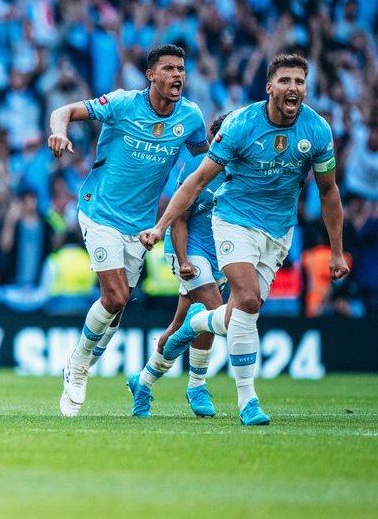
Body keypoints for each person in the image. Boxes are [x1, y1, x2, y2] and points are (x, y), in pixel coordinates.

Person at [140, 54, 350, 425]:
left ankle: (196, 325)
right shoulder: (241, 125)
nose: (293, 88)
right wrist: (161, 227)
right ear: (270, 87)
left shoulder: (317, 130)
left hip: (278, 231)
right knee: (248, 301)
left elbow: (329, 192)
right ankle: (246, 401)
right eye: (285, 81)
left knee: (240, 313)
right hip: (233, 221)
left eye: (299, 82)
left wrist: (336, 251)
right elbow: (197, 182)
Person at [47, 44, 207, 418]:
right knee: (115, 296)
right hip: (99, 211)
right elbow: (63, 111)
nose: (177, 75)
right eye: (168, 68)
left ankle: (84, 358)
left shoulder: (192, 117)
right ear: (151, 75)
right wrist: (58, 132)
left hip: (141, 226)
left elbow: (203, 167)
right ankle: (78, 363)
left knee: (115, 316)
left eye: (181, 69)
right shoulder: (121, 103)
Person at [127, 113, 230, 418]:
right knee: (214, 312)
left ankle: (142, 384)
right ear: (216, 139)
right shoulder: (199, 168)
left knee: (180, 327)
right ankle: (197, 385)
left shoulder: (243, 171)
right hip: (188, 249)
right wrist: (184, 261)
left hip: (220, 257)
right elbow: (180, 219)